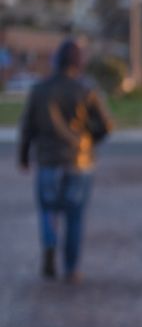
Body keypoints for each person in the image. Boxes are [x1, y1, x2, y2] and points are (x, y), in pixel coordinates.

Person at [17, 37, 113, 284]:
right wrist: (89, 140)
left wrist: (24, 156)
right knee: (75, 217)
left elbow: (27, 126)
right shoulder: (85, 89)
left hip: (48, 159)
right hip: (79, 161)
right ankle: (71, 268)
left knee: (48, 209)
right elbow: (106, 125)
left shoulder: (40, 89)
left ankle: (49, 244)